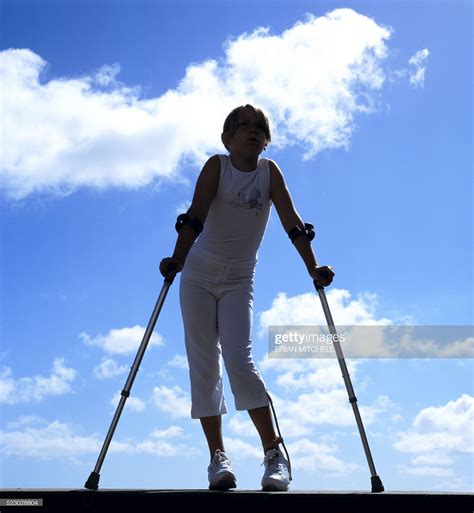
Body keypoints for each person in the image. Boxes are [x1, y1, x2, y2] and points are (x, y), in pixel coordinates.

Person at [159, 104, 335, 491]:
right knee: (204, 363)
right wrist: (177, 259)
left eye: (258, 127)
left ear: (266, 139)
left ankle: (274, 453)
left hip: (240, 279)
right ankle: (217, 459)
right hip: (199, 276)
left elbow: (292, 220)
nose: (251, 132)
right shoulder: (216, 167)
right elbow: (196, 215)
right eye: (242, 127)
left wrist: (313, 267)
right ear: (227, 138)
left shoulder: (269, 173)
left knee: (239, 359)